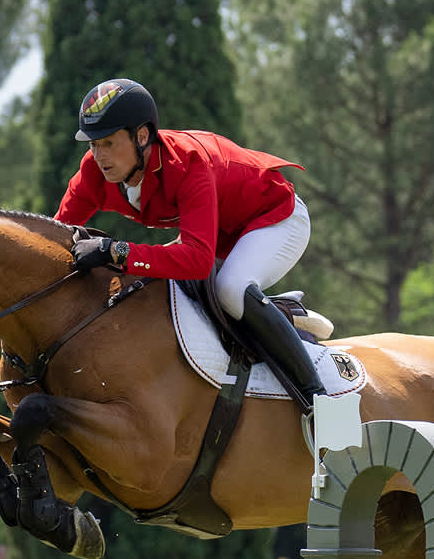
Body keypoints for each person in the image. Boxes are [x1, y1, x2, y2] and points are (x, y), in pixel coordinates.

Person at [56, 77, 325, 411]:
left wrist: (116, 251)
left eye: (109, 143)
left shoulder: (187, 164)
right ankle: (276, 315)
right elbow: (56, 235)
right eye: (93, 144)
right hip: (219, 233)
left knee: (230, 288)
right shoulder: (93, 172)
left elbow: (198, 260)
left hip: (276, 218)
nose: (99, 156)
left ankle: (318, 398)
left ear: (142, 136)